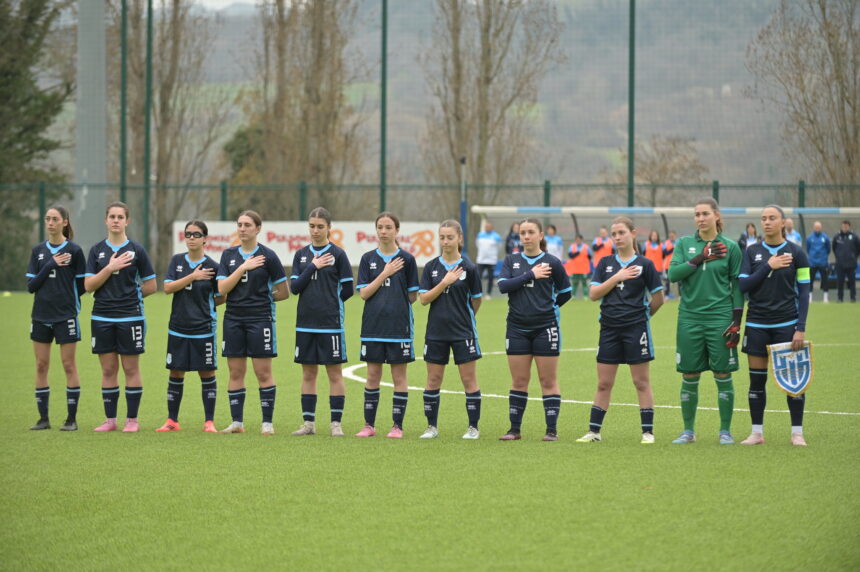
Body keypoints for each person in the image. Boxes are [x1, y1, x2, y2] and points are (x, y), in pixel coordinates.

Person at [577, 217, 664, 444]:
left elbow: (658, 299)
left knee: (641, 382)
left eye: (621, 233)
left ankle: (647, 432)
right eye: (614, 234)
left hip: (636, 329)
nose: (616, 237)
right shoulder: (605, 263)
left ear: (633, 234)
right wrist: (617, 277)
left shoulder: (645, 264)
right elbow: (594, 294)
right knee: (604, 383)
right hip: (609, 329)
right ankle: (594, 431)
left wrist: (642, 318)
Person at [667, 197, 743, 445]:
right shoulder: (685, 243)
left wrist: (736, 321)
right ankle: (688, 432)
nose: (700, 218)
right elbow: (673, 274)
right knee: (689, 374)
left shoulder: (731, 247)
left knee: (723, 373)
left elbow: (737, 287)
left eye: (705, 214)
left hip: (720, 317)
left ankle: (725, 432)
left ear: (716, 216)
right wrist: (699, 257)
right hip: (689, 317)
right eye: (697, 214)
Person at [738, 205, 811, 447]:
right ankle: (757, 433)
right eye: (763, 219)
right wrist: (769, 265)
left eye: (772, 218)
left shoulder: (797, 253)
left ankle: (797, 433)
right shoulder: (751, 252)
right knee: (756, 381)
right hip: (757, 324)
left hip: (787, 325)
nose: (767, 222)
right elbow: (744, 286)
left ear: (783, 223)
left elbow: (804, 292)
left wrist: (800, 327)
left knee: (794, 381)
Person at [84, 202, 157, 432]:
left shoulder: (137, 250)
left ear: (128, 221)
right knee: (108, 370)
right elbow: (88, 285)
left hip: (130, 317)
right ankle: (110, 420)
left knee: (131, 369)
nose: (116, 220)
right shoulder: (96, 251)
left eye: (120, 217)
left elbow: (152, 285)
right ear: (106, 220)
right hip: (102, 317)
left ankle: (132, 420)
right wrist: (109, 267)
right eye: (112, 217)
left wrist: (130, 298)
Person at [497, 218, 572, 441]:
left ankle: (551, 431)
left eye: (531, 232)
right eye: (523, 233)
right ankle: (514, 430)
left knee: (547, 380)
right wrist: (530, 274)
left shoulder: (552, 262)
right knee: (519, 381)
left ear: (541, 236)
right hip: (517, 328)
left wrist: (548, 308)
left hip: (545, 327)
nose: (526, 237)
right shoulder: (512, 260)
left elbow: (566, 292)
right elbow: (503, 286)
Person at [216, 210, 289, 435]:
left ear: (258, 229)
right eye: (239, 224)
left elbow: (284, 292)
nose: (242, 228)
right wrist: (243, 268)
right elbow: (222, 289)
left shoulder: (269, 256)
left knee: (262, 372)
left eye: (248, 225)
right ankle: (237, 422)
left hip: (260, 319)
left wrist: (263, 299)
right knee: (235, 372)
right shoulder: (228, 256)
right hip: (233, 319)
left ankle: (267, 423)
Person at [289, 207, 354, 437]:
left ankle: (336, 423)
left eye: (320, 226)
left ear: (329, 228)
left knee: (334, 373)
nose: (315, 231)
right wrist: (313, 266)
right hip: (305, 323)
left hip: (330, 324)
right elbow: (294, 288)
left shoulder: (338, 254)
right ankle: (309, 424)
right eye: (312, 226)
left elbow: (348, 290)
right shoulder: (301, 255)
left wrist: (329, 302)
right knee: (308, 374)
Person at [355, 212, 420, 438]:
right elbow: (364, 293)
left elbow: (412, 296)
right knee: (372, 375)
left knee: (399, 377)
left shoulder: (408, 260)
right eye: (380, 227)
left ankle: (397, 426)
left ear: (397, 230)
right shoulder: (367, 259)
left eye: (388, 227)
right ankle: (369, 425)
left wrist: (394, 303)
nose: (383, 231)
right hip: (372, 327)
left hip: (398, 328)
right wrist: (384, 274)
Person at [418, 220, 483, 439]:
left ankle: (473, 428)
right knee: (433, 380)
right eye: (442, 237)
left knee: (468, 380)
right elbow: (424, 299)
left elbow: (477, 300)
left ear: (460, 239)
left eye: (450, 237)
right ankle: (431, 427)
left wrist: (463, 318)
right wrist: (444, 282)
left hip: (463, 332)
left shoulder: (469, 268)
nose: (445, 242)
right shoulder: (431, 267)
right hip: (436, 332)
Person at [156, 220, 223, 433]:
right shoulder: (177, 261)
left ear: (205, 238)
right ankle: (172, 420)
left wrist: (207, 306)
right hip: (178, 327)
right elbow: (167, 288)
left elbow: (222, 296)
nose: (191, 238)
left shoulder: (213, 266)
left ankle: (209, 422)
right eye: (188, 234)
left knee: (207, 372)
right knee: (176, 372)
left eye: (196, 234)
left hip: (203, 327)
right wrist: (193, 276)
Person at [26, 205, 86, 431]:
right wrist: (50, 264)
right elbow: (31, 286)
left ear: (65, 222)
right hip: (40, 316)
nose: (50, 222)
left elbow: (82, 286)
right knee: (41, 365)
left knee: (68, 365)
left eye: (54, 219)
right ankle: (43, 419)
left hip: (65, 316)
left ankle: (71, 419)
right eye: (47, 218)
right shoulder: (38, 251)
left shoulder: (75, 251)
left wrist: (66, 300)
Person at [832, 220, 860, 303]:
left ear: (849, 227)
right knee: (840, 282)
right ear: (841, 226)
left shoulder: (854, 236)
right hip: (840, 264)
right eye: (843, 226)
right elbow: (834, 248)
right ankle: (840, 298)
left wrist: (854, 257)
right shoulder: (837, 236)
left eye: (846, 226)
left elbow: (858, 249)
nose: (845, 228)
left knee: (852, 282)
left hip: (851, 264)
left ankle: (853, 298)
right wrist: (839, 257)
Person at [475, 220, 502, 300]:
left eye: (488, 226)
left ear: (492, 227)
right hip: (481, 260)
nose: (487, 228)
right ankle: (478, 293)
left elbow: (499, 247)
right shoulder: (480, 235)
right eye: (486, 227)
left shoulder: (497, 236)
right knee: (478, 277)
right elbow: (477, 245)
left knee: (490, 277)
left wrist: (493, 255)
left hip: (491, 260)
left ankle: (488, 294)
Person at [805, 221, 831, 303]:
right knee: (810, 280)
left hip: (823, 262)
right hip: (812, 263)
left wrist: (823, 257)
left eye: (818, 227)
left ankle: (825, 298)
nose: (817, 228)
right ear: (813, 227)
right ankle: (810, 298)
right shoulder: (809, 238)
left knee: (825, 280)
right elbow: (808, 249)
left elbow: (828, 249)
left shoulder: (825, 237)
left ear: (821, 228)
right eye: (816, 227)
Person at [564, 234, 591, 299]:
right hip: (574, 269)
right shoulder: (572, 247)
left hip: (584, 269)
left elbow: (590, 257)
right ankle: (573, 296)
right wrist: (578, 252)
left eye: (579, 239)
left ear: (582, 240)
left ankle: (585, 296)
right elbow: (570, 255)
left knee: (584, 283)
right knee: (574, 283)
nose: (578, 241)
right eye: (577, 240)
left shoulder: (586, 247)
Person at [662, 231, 677, 297]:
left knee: (679, 281)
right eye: (670, 236)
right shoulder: (666, 243)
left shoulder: (678, 242)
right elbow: (666, 253)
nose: (672, 237)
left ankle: (680, 295)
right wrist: (673, 248)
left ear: (675, 235)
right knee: (668, 281)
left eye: (673, 236)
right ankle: (666, 295)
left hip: (677, 264)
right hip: (668, 265)